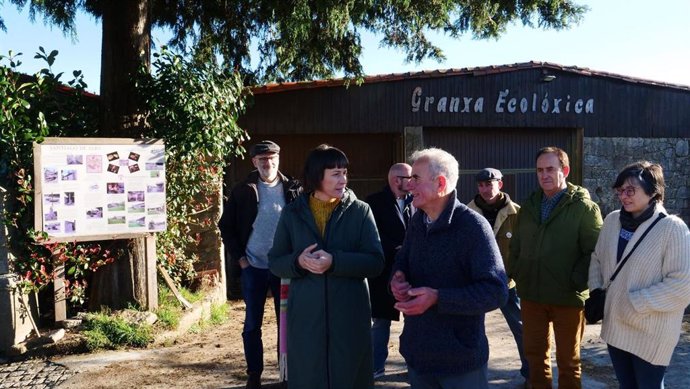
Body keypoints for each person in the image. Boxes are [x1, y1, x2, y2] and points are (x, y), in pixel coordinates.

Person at [390, 148, 508, 389]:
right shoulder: (417, 221)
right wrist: (398, 277)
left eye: (416, 179)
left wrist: (438, 298)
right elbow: (402, 260)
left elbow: (495, 291)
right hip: (419, 356)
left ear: (440, 183)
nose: (409, 186)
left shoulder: (473, 227)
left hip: (460, 362)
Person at [268, 144, 384, 389]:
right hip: (306, 320)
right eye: (335, 174)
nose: (343, 179)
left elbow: (375, 262)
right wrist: (298, 262)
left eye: (344, 172)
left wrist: (335, 262)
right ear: (316, 176)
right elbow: (276, 262)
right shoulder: (292, 213)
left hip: (350, 319)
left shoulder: (361, 211)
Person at [588, 161, 690, 389]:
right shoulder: (613, 220)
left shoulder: (673, 229)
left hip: (650, 332)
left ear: (653, 191)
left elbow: (683, 287)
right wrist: (596, 290)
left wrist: (635, 302)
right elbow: (597, 257)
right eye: (620, 190)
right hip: (616, 327)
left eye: (630, 190)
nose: (624, 196)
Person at [507, 146, 603, 389]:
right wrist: (518, 272)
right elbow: (516, 244)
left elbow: (594, 252)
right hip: (532, 297)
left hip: (567, 298)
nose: (544, 175)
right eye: (540, 170)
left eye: (550, 169)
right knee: (535, 359)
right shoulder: (529, 206)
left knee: (568, 363)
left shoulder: (584, 208)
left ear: (565, 170)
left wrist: (575, 281)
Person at [218, 140, 302, 389]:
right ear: (254, 162)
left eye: (272, 158)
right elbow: (226, 226)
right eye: (262, 159)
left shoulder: (292, 188)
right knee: (252, 323)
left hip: (283, 268)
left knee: (285, 322)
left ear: (279, 159)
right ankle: (254, 374)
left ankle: (286, 372)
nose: (268, 163)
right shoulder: (243, 189)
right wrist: (241, 259)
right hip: (253, 266)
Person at [467, 167, 529, 383]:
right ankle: (473, 373)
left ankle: (530, 372)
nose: (485, 189)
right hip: (476, 284)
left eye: (490, 184)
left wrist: (516, 275)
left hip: (508, 283)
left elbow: (524, 249)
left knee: (521, 327)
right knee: (472, 330)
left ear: (500, 184)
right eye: (481, 185)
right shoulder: (466, 213)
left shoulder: (518, 214)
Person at [365, 162, 413, 379]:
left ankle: (413, 364)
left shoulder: (417, 201)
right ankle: (376, 367)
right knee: (381, 322)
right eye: (409, 177)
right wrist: (399, 249)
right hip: (383, 272)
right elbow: (372, 235)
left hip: (414, 272)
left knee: (414, 320)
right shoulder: (373, 203)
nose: (413, 181)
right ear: (396, 180)